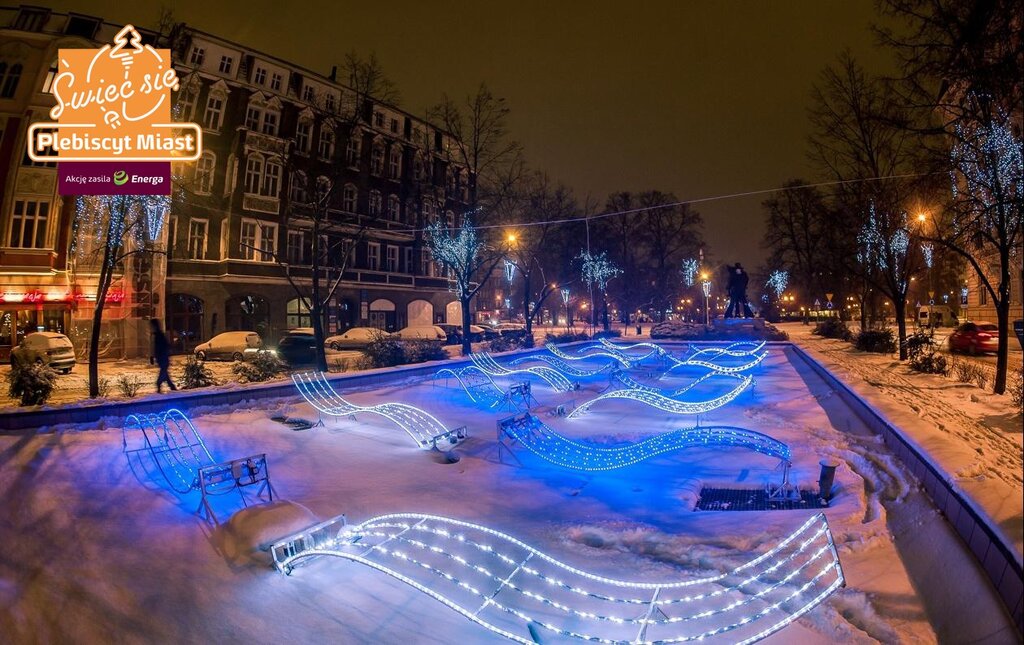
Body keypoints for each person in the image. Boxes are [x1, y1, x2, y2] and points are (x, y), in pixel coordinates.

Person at [151, 319, 177, 393]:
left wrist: (155, 355)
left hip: (163, 357)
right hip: (162, 357)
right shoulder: (158, 335)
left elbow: (162, 346)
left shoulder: (159, 335)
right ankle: (172, 387)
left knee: (163, 372)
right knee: (165, 373)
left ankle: (159, 385)